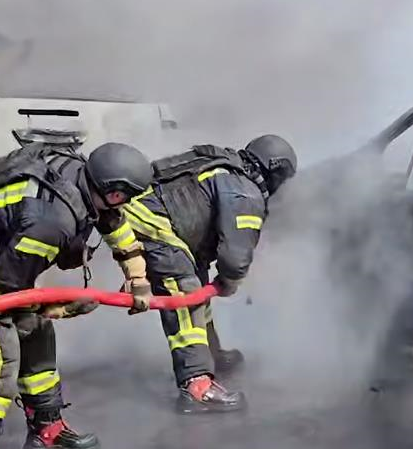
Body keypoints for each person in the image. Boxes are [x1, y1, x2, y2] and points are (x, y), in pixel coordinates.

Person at [0, 142, 154, 449]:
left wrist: (137, 276)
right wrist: (62, 307)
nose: (123, 203)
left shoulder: (83, 177)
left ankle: (47, 427)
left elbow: (113, 221)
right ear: (112, 192)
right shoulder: (52, 223)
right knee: (0, 351)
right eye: (123, 196)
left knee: (37, 331)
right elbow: (11, 284)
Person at [121, 134, 297, 414]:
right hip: (152, 219)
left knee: (197, 287)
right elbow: (235, 258)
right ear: (275, 171)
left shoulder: (227, 169)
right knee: (185, 293)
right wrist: (229, 281)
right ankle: (196, 385)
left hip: (159, 217)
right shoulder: (245, 192)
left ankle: (211, 354)